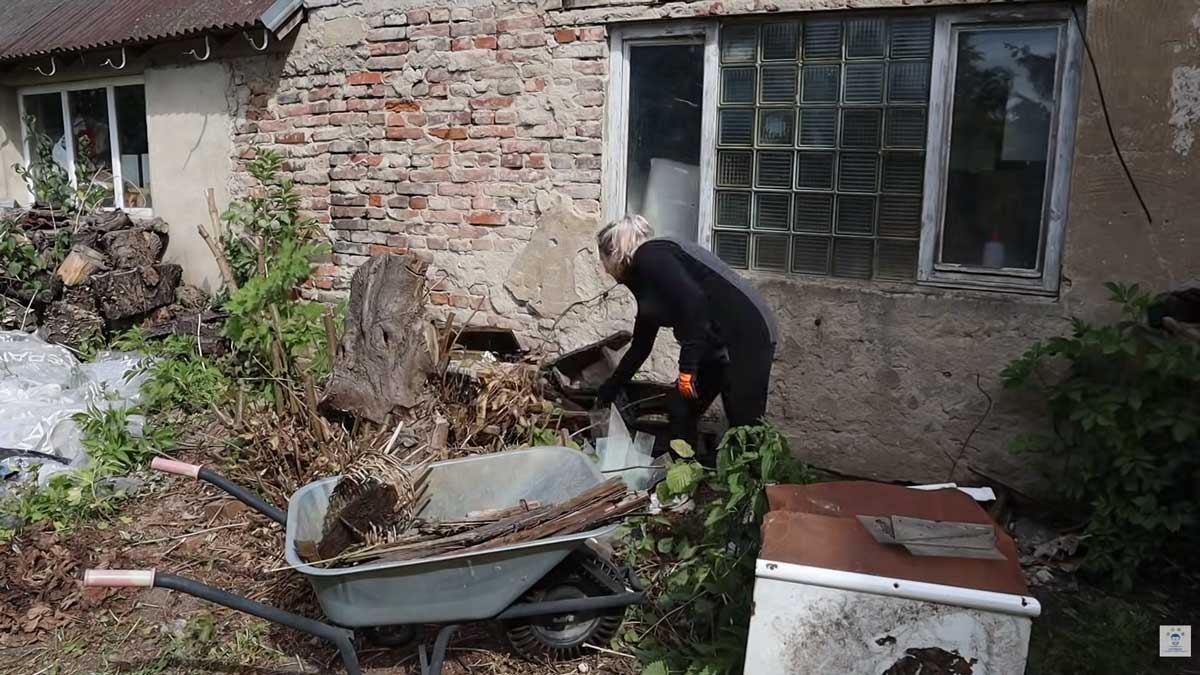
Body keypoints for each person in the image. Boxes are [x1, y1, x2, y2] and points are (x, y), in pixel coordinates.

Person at [595, 214, 779, 451]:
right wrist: (611, 387)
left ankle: (758, 484)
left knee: (744, 422)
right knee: (680, 408)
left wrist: (687, 369)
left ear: (613, 254)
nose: (605, 271)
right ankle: (686, 476)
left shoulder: (651, 257)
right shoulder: (646, 276)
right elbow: (642, 344)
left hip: (747, 332)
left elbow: (695, 303)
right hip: (714, 343)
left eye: (603, 262)